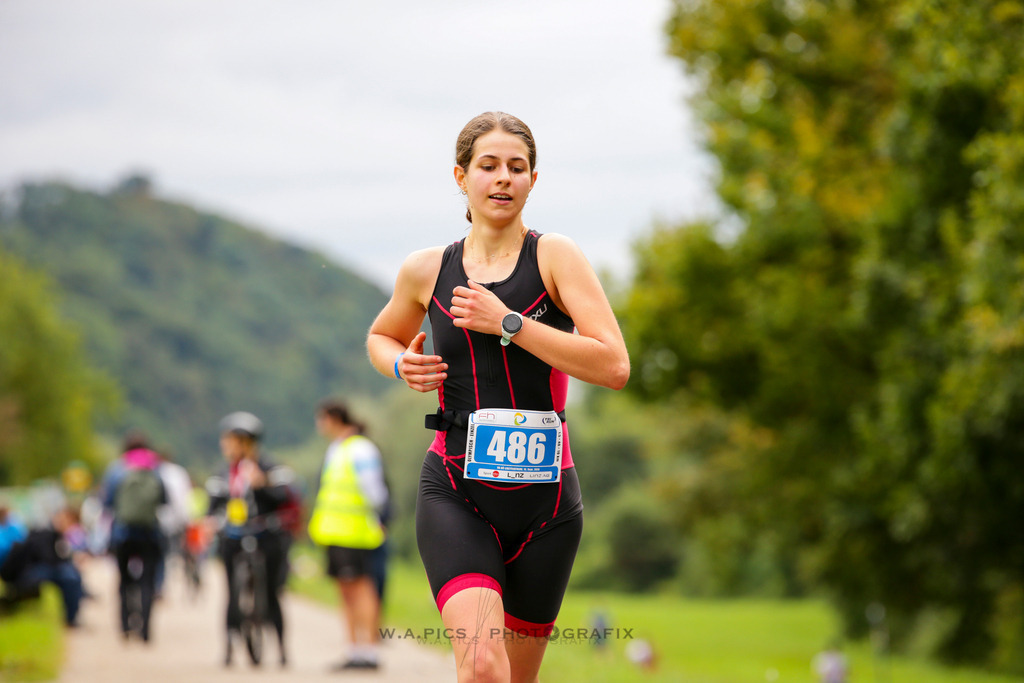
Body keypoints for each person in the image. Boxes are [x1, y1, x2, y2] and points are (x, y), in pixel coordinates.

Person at [366, 111, 630, 682]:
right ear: (461, 177)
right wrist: (400, 364)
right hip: (457, 490)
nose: (503, 178)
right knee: (484, 665)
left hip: (548, 503)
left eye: (517, 167)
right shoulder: (426, 270)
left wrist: (508, 323)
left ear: (534, 180)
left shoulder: (554, 257)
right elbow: (380, 336)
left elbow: (613, 365)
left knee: (516, 678)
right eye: (488, 166)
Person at [205, 411, 293, 667]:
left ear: (246, 442)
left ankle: (281, 647)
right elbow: (213, 506)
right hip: (233, 536)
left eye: (229, 439)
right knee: (231, 591)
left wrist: (262, 484)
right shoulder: (223, 473)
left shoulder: (271, 468)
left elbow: (285, 497)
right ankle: (230, 646)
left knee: (272, 592)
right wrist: (211, 521)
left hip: (266, 534)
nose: (225, 445)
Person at [309, 399, 390, 671]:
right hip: (337, 533)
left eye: (321, 419)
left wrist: (379, 519)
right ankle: (354, 649)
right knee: (346, 592)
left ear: (333, 418)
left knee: (363, 590)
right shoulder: (339, 447)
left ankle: (369, 652)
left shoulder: (360, 448)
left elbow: (375, 492)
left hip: (356, 533)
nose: (319, 425)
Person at [101, 430, 168, 642]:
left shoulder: (116, 470)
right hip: (149, 533)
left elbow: (107, 503)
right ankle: (146, 631)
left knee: (124, 581)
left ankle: (125, 626)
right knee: (148, 581)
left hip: (123, 534)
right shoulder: (154, 469)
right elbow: (164, 500)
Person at [0, 506, 85, 626]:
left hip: (40, 569)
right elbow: (46, 558)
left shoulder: (58, 535)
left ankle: (72, 616)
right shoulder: (44, 533)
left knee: (71, 575)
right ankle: (71, 618)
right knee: (69, 575)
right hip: (30, 570)